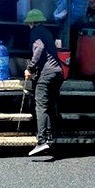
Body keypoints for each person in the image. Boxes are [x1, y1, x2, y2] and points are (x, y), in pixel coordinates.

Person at [24, 9, 64, 156]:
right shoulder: (47, 32)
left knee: (40, 106)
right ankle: (52, 135)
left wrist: (30, 68)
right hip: (58, 73)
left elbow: (39, 48)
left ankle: (41, 141)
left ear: (31, 22)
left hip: (46, 74)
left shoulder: (35, 32)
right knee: (51, 104)